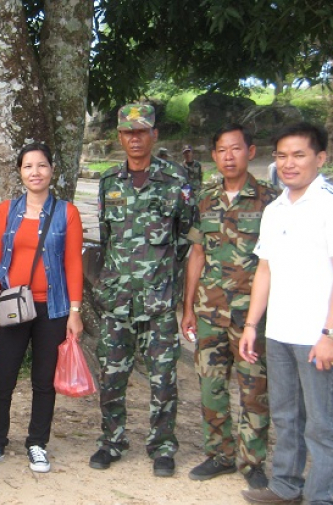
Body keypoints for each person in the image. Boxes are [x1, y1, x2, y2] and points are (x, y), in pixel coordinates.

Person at [239, 122, 333, 505]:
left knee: (322, 424)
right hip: (280, 331)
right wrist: (253, 324)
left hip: (318, 335)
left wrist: (330, 332)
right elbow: (265, 270)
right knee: (286, 415)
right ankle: (287, 484)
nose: (288, 164)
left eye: (299, 155)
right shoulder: (276, 209)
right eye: (282, 156)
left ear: (320, 158)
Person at [90, 104, 193, 477]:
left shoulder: (176, 181)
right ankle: (112, 440)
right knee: (111, 375)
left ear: (154, 135)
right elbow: (106, 239)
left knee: (163, 377)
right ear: (119, 137)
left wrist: (165, 281)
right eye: (127, 132)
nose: (135, 138)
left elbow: (185, 240)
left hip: (159, 301)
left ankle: (162, 446)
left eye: (142, 131)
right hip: (117, 300)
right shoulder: (108, 182)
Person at [181, 124, 279, 489]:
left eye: (235, 149)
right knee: (211, 387)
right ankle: (219, 454)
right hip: (210, 312)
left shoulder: (270, 199)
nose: (228, 157)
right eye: (221, 150)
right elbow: (197, 253)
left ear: (250, 152)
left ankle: (252, 461)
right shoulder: (205, 198)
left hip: (252, 315)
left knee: (254, 387)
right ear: (214, 156)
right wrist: (188, 307)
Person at [0, 142, 84, 473]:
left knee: (43, 380)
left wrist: (75, 312)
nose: (35, 172)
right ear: (20, 172)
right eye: (28, 166)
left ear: (52, 170)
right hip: (12, 305)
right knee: (2, 377)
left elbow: (73, 265)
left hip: (52, 308)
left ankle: (37, 442)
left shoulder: (67, 212)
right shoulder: (7, 210)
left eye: (41, 165)